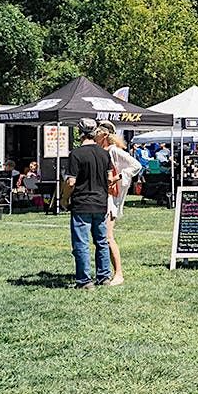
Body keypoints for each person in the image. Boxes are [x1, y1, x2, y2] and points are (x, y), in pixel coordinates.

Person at [65, 118, 115, 290]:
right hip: (100, 203)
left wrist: (64, 199)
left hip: (81, 203)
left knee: (81, 243)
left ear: (80, 133)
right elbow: (110, 179)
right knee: (101, 241)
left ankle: (85, 281)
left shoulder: (76, 154)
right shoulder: (104, 153)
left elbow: (71, 182)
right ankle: (104, 277)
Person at [97, 121, 140, 287]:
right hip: (101, 196)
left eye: (98, 132)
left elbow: (136, 165)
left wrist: (118, 177)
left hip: (111, 198)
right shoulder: (100, 151)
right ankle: (104, 272)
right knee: (101, 238)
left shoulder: (114, 151)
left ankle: (119, 273)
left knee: (108, 237)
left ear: (105, 135)